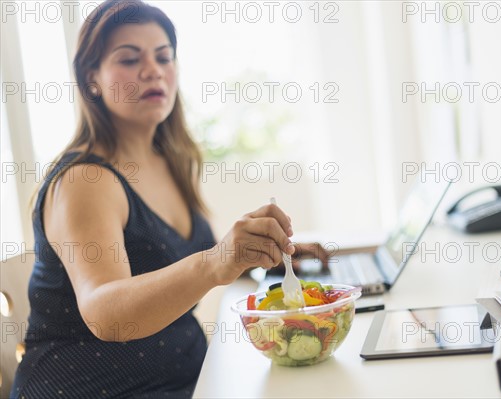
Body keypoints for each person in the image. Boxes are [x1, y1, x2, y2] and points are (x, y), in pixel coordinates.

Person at [10, 1, 328, 397]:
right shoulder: (84, 180)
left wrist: (256, 254)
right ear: (91, 77)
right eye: (129, 59)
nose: (152, 70)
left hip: (189, 381)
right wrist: (215, 261)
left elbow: (178, 270)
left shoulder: (170, 160)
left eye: (164, 56)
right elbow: (104, 313)